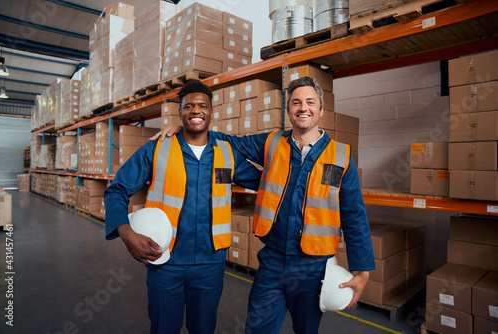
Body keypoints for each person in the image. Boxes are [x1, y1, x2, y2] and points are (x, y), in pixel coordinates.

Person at [157, 76, 375, 333]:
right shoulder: (272, 142)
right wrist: (187, 127)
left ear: (321, 109)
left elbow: (354, 216)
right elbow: (232, 142)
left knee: (306, 329)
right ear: (288, 110)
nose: (302, 107)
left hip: (314, 267)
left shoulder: (341, 156)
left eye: (309, 102)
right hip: (273, 262)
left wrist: (362, 270)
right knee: (257, 328)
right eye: (296, 102)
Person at [104, 81, 262, 334]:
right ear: (180, 113)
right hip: (166, 259)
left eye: (202, 106)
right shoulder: (157, 149)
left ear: (211, 112)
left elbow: (267, 182)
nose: (195, 111)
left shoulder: (227, 153)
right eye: (188, 106)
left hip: (210, 263)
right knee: (164, 327)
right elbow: (117, 190)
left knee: (204, 327)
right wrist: (126, 232)